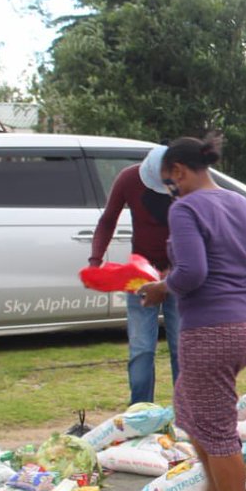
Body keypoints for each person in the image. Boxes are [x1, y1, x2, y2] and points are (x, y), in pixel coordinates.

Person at [136, 137, 246, 491]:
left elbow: (192, 273)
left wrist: (160, 289)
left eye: (169, 180)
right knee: (188, 408)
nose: (169, 190)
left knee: (218, 428)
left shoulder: (186, 208)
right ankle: (216, 489)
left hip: (210, 330)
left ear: (179, 171)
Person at [89, 147, 180, 404]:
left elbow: (200, 233)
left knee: (182, 349)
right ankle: (141, 412)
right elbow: (107, 221)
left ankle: (186, 416)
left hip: (179, 276)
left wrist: (174, 271)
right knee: (141, 350)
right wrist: (95, 261)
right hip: (141, 275)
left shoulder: (185, 183)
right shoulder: (128, 179)